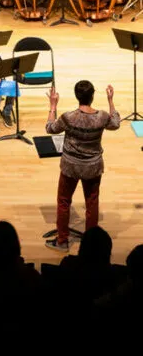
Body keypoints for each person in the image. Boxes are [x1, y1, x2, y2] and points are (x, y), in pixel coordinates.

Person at [45, 81, 120, 252]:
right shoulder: (101, 117)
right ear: (93, 96)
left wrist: (52, 106)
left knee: (64, 202)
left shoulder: (68, 117)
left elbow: (50, 128)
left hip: (70, 166)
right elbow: (115, 123)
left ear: (76, 96)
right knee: (92, 203)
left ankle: (62, 241)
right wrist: (110, 100)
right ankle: (91, 246)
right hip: (93, 166)